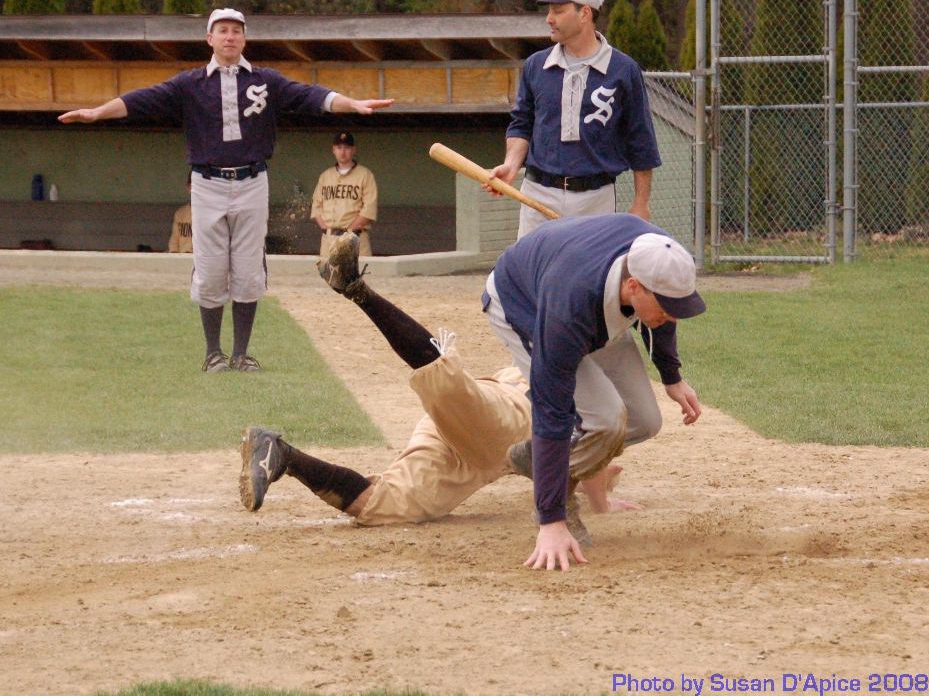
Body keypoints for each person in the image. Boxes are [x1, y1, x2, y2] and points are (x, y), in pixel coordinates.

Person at [58, 8, 394, 374]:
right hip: (206, 183)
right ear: (210, 39)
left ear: (244, 39)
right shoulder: (190, 83)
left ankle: (242, 354)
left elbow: (312, 95)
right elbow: (142, 100)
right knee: (211, 267)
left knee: (249, 268)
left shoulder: (266, 81)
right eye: (222, 30)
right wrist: (96, 113)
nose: (230, 36)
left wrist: (353, 104)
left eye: (236, 30)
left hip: (252, 181)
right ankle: (212, 353)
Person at [239, 231, 637, 534]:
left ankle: (281, 454)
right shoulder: (585, 384)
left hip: (470, 451)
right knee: (446, 381)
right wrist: (601, 502)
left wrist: (600, 478)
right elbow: (586, 450)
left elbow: (584, 461)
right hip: (508, 419)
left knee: (379, 506)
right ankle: (356, 289)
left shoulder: (559, 358)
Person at [482, 212, 706, 571]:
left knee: (644, 420)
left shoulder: (659, 257)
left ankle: (537, 461)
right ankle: (555, 497)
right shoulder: (568, 309)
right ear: (634, 287)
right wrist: (550, 521)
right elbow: (551, 408)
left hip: (591, 302)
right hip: (524, 304)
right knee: (603, 420)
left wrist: (671, 376)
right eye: (666, 306)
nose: (673, 316)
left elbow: (663, 315)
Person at [485, 0, 661, 238]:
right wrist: (511, 165)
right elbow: (522, 124)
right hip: (538, 192)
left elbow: (640, 139)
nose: (549, 19)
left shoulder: (623, 70)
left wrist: (641, 204)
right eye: (549, 11)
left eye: (558, 11)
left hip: (596, 199)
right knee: (533, 273)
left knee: (588, 276)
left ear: (584, 14)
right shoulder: (536, 66)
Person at [311, 131, 378, 258]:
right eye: (339, 148)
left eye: (346, 148)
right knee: (329, 277)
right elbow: (316, 207)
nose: (343, 152)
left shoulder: (365, 175)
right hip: (329, 240)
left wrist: (348, 232)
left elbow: (369, 210)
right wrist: (326, 229)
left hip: (355, 237)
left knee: (358, 276)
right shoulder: (325, 176)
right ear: (333, 150)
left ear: (353, 150)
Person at [167, 171, 193, 253]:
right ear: (188, 187)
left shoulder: (210, 214)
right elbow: (174, 242)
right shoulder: (180, 213)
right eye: (193, 186)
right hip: (183, 258)